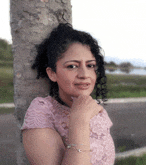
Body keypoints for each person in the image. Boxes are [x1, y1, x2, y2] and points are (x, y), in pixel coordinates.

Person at [21, 23, 115, 165]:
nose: (84, 74)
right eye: (72, 66)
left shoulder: (95, 108)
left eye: (90, 66)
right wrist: (79, 122)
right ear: (52, 73)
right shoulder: (42, 113)